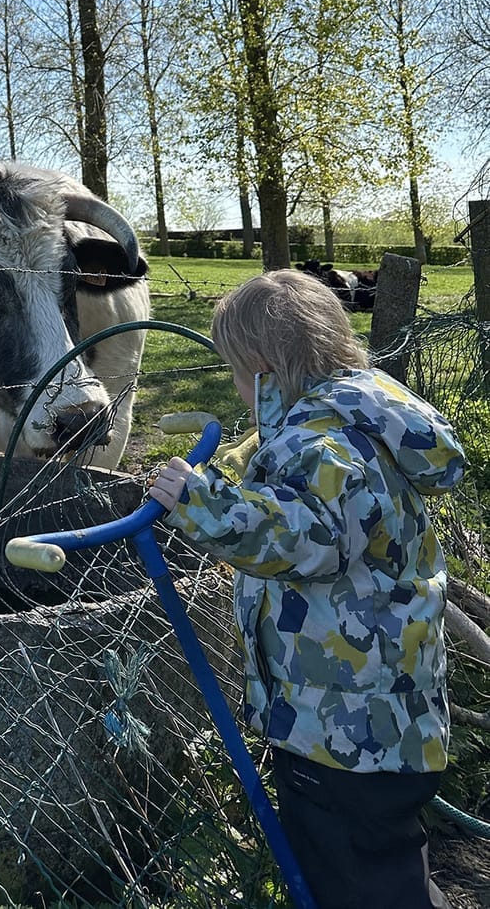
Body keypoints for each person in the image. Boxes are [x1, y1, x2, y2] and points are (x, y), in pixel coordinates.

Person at [148, 268, 465, 909]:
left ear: (263, 368)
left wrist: (201, 501)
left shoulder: (323, 442)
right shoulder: (366, 413)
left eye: (237, 373)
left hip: (341, 735)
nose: (238, 391)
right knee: (385, 867)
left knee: (357, 883)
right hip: (381, 719)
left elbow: (308, 539)